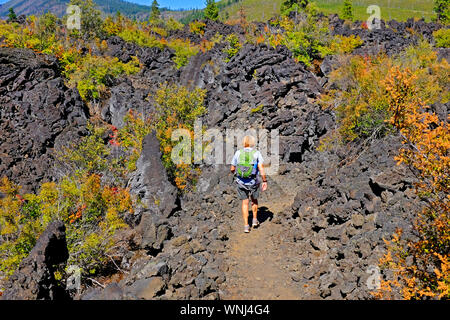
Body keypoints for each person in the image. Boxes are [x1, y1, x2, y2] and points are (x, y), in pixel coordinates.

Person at [230, 135, 268, 233]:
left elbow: (232, 168)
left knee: (245, 202)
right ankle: (255, 220)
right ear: (253, 143)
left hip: (241, 182)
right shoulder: (256, 153)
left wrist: (238, 175)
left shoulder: (238, 153)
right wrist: (264, 181)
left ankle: (246, 226)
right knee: (254, 200)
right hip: (253, 181)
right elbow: (261, 168)